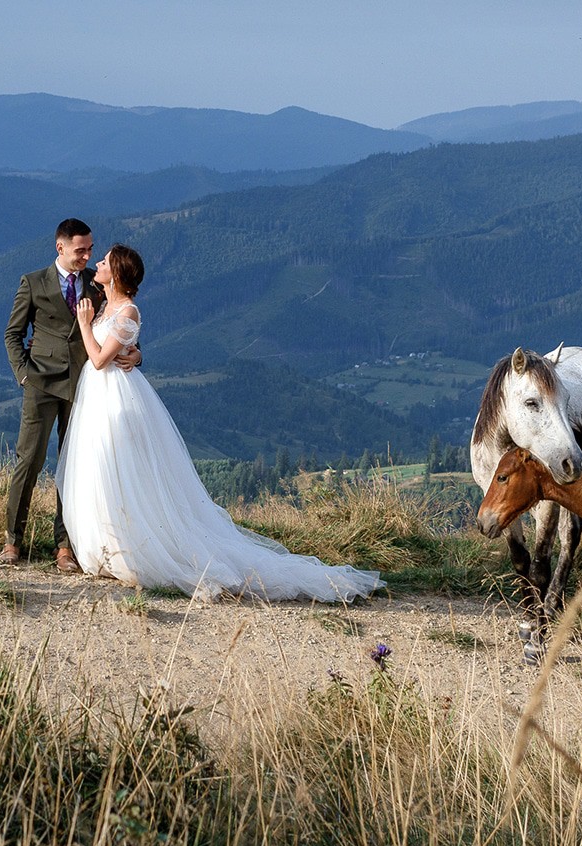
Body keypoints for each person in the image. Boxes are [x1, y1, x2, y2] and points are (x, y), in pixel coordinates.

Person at [54, 244, 383, 602]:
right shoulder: (105, 304)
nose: (97, 264)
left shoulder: (126, 309)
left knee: (123, 469)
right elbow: (120, 346)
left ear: (116, 273)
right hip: (99, 396)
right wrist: (130, 349)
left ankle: (131, 550)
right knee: (102, 467)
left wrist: (86, 325)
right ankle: (108, 544)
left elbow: (100, 359)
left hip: (115, 396)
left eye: (104, 261)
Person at [1, 218, 138, 568]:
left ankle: (64, 546)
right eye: (81, 250)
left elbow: (122, 325)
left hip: (84, 386)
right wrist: (23, 376)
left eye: (91, 249)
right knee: (29, 461)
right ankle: (12, 541)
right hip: (41, 383)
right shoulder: (33, 282)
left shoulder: (97, 282)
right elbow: (13, 334)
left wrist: (138, 354)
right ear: (60, 247)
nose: (87, 256)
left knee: (73, 464)